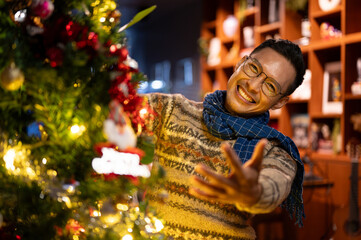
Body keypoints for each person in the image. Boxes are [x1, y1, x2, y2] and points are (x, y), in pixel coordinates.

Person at [144, 38, 305, 240]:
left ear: (280, 102)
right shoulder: (171, 109)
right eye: (254, 68)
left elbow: (275, 185)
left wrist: (253, 192)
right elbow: (117, 108)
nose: (253, 86)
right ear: (240, 64)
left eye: (270, 86)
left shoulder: (274, 150)